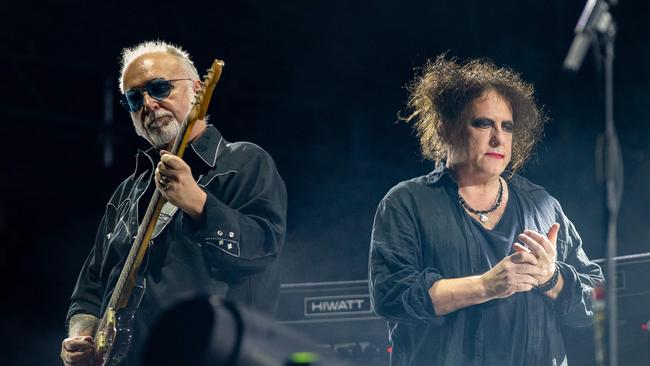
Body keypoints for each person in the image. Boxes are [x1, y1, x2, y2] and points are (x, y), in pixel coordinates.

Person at [60, 41, 287, 366]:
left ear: (198, 90)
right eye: (134, 98)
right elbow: (90, 289)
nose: (148, 104)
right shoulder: (126, 194)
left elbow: (264, 249)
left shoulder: (244, 162)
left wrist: (198, 203)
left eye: (159, 87)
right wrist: (83, 336)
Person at [368, 55, 603, 366]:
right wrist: (486, 286)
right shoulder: (406, 203)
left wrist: (552, 278)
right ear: (447, 128)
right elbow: (391, 295)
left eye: (507, 127)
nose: (498, 138)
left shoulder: (542, 204)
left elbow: (597, 297)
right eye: (483, 123)